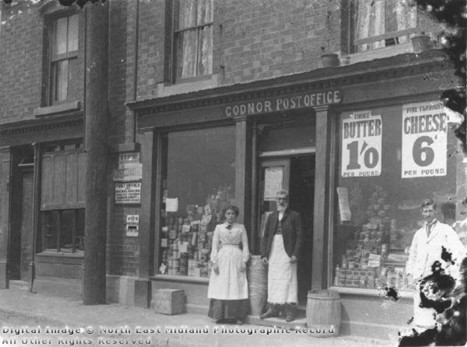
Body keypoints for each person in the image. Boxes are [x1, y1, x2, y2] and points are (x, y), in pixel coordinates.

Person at [406, 198, 466, 329]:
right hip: (420, 281)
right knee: (421, 322)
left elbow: (459, 252)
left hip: (437, 282)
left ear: (436, 211)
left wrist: (451, 275)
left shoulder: (445, 230)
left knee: (438, 321)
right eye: (425, 211)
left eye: (431, 211)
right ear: (422, 213)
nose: (428, 214)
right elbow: (412, 256)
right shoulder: (418, 234)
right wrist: (410, 274)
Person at [260, 189, 303, 322]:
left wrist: (295, 253)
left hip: (288, 252)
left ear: (288, 201)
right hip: (273, 251)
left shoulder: (294, 216)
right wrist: (264, 254)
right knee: (274, 279)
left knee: (289, 280)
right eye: (279, 199)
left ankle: (290, 311)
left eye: (284, 199)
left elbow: (300, 236)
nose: (281, 201)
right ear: (275, 201)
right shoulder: (271, 216)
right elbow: (265, 235)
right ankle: (273, 309)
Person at [207, 205, 250, 325]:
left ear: (236, 215)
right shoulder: (219, 228)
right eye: (228, 214)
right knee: (222, 284)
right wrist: (214, 262)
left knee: (236, 284)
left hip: (237, 257)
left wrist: (244, 261)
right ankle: (220, 316)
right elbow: (214, 246)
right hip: (223, 258)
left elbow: (246, 245)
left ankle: (237, 316)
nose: (230, 216)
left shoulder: (241, 227)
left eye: (233, 214)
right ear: (224, 215)